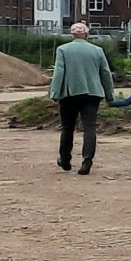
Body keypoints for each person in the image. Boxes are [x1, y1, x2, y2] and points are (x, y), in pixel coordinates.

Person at [47, 19, 114, 175]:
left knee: (67, 127)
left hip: (69, 93)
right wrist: (109, 95)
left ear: (72, 34)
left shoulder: (63, 50)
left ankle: (65, 159)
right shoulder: (97, 50)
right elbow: (105, 73)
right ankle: (86, 162)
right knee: (89, 127)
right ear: (86, 34)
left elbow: (59, 72)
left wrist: (55, 92)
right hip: (92, 93)